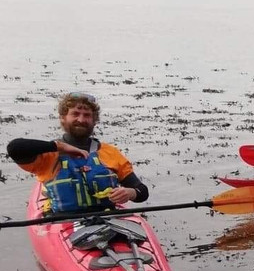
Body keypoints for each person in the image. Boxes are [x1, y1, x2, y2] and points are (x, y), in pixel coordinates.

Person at [6, 92, 149, 214]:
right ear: (63, 118)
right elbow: (15, 148)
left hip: (107, 219)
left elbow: (142, 192)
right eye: (75, 114)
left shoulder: (110, 152)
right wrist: (59, 147)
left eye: (87, 115)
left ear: (94, 121)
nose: (81, 120)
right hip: (62, 222)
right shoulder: (48, 155)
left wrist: (131, 193)